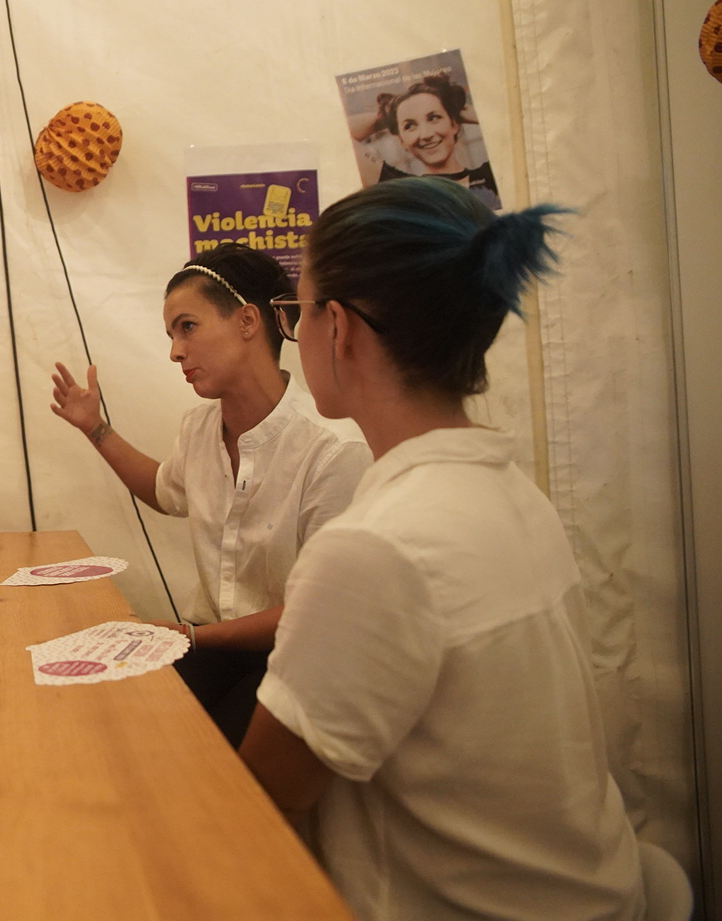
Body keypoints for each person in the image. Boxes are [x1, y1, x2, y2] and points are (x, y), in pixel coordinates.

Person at [239, 178, 643, 919]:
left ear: (341, 329)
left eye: (298, 310)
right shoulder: (514, 494)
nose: (294, 332)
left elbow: (262, 799)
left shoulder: (373, 548)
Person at [49, 242, 371, 745]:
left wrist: (191, 635)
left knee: (212, 758)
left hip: (298, 659)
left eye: (187, 327)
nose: (175, 351)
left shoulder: (331, 449)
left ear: (247, 321)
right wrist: (94, 428)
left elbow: (322, 610)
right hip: (212, 647)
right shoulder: (199, 428)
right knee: (119, 726)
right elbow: (164, 492)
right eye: (172, 334)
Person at [350, 71, 501, 208]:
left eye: (434, 118)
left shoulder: (492, 174)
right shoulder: (401, 191)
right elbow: (341, 136)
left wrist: (459, 111)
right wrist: (387, 118)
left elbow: (512, 123)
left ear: (454, 124)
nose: (426, 134)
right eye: (409, 126)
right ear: (401, 140)